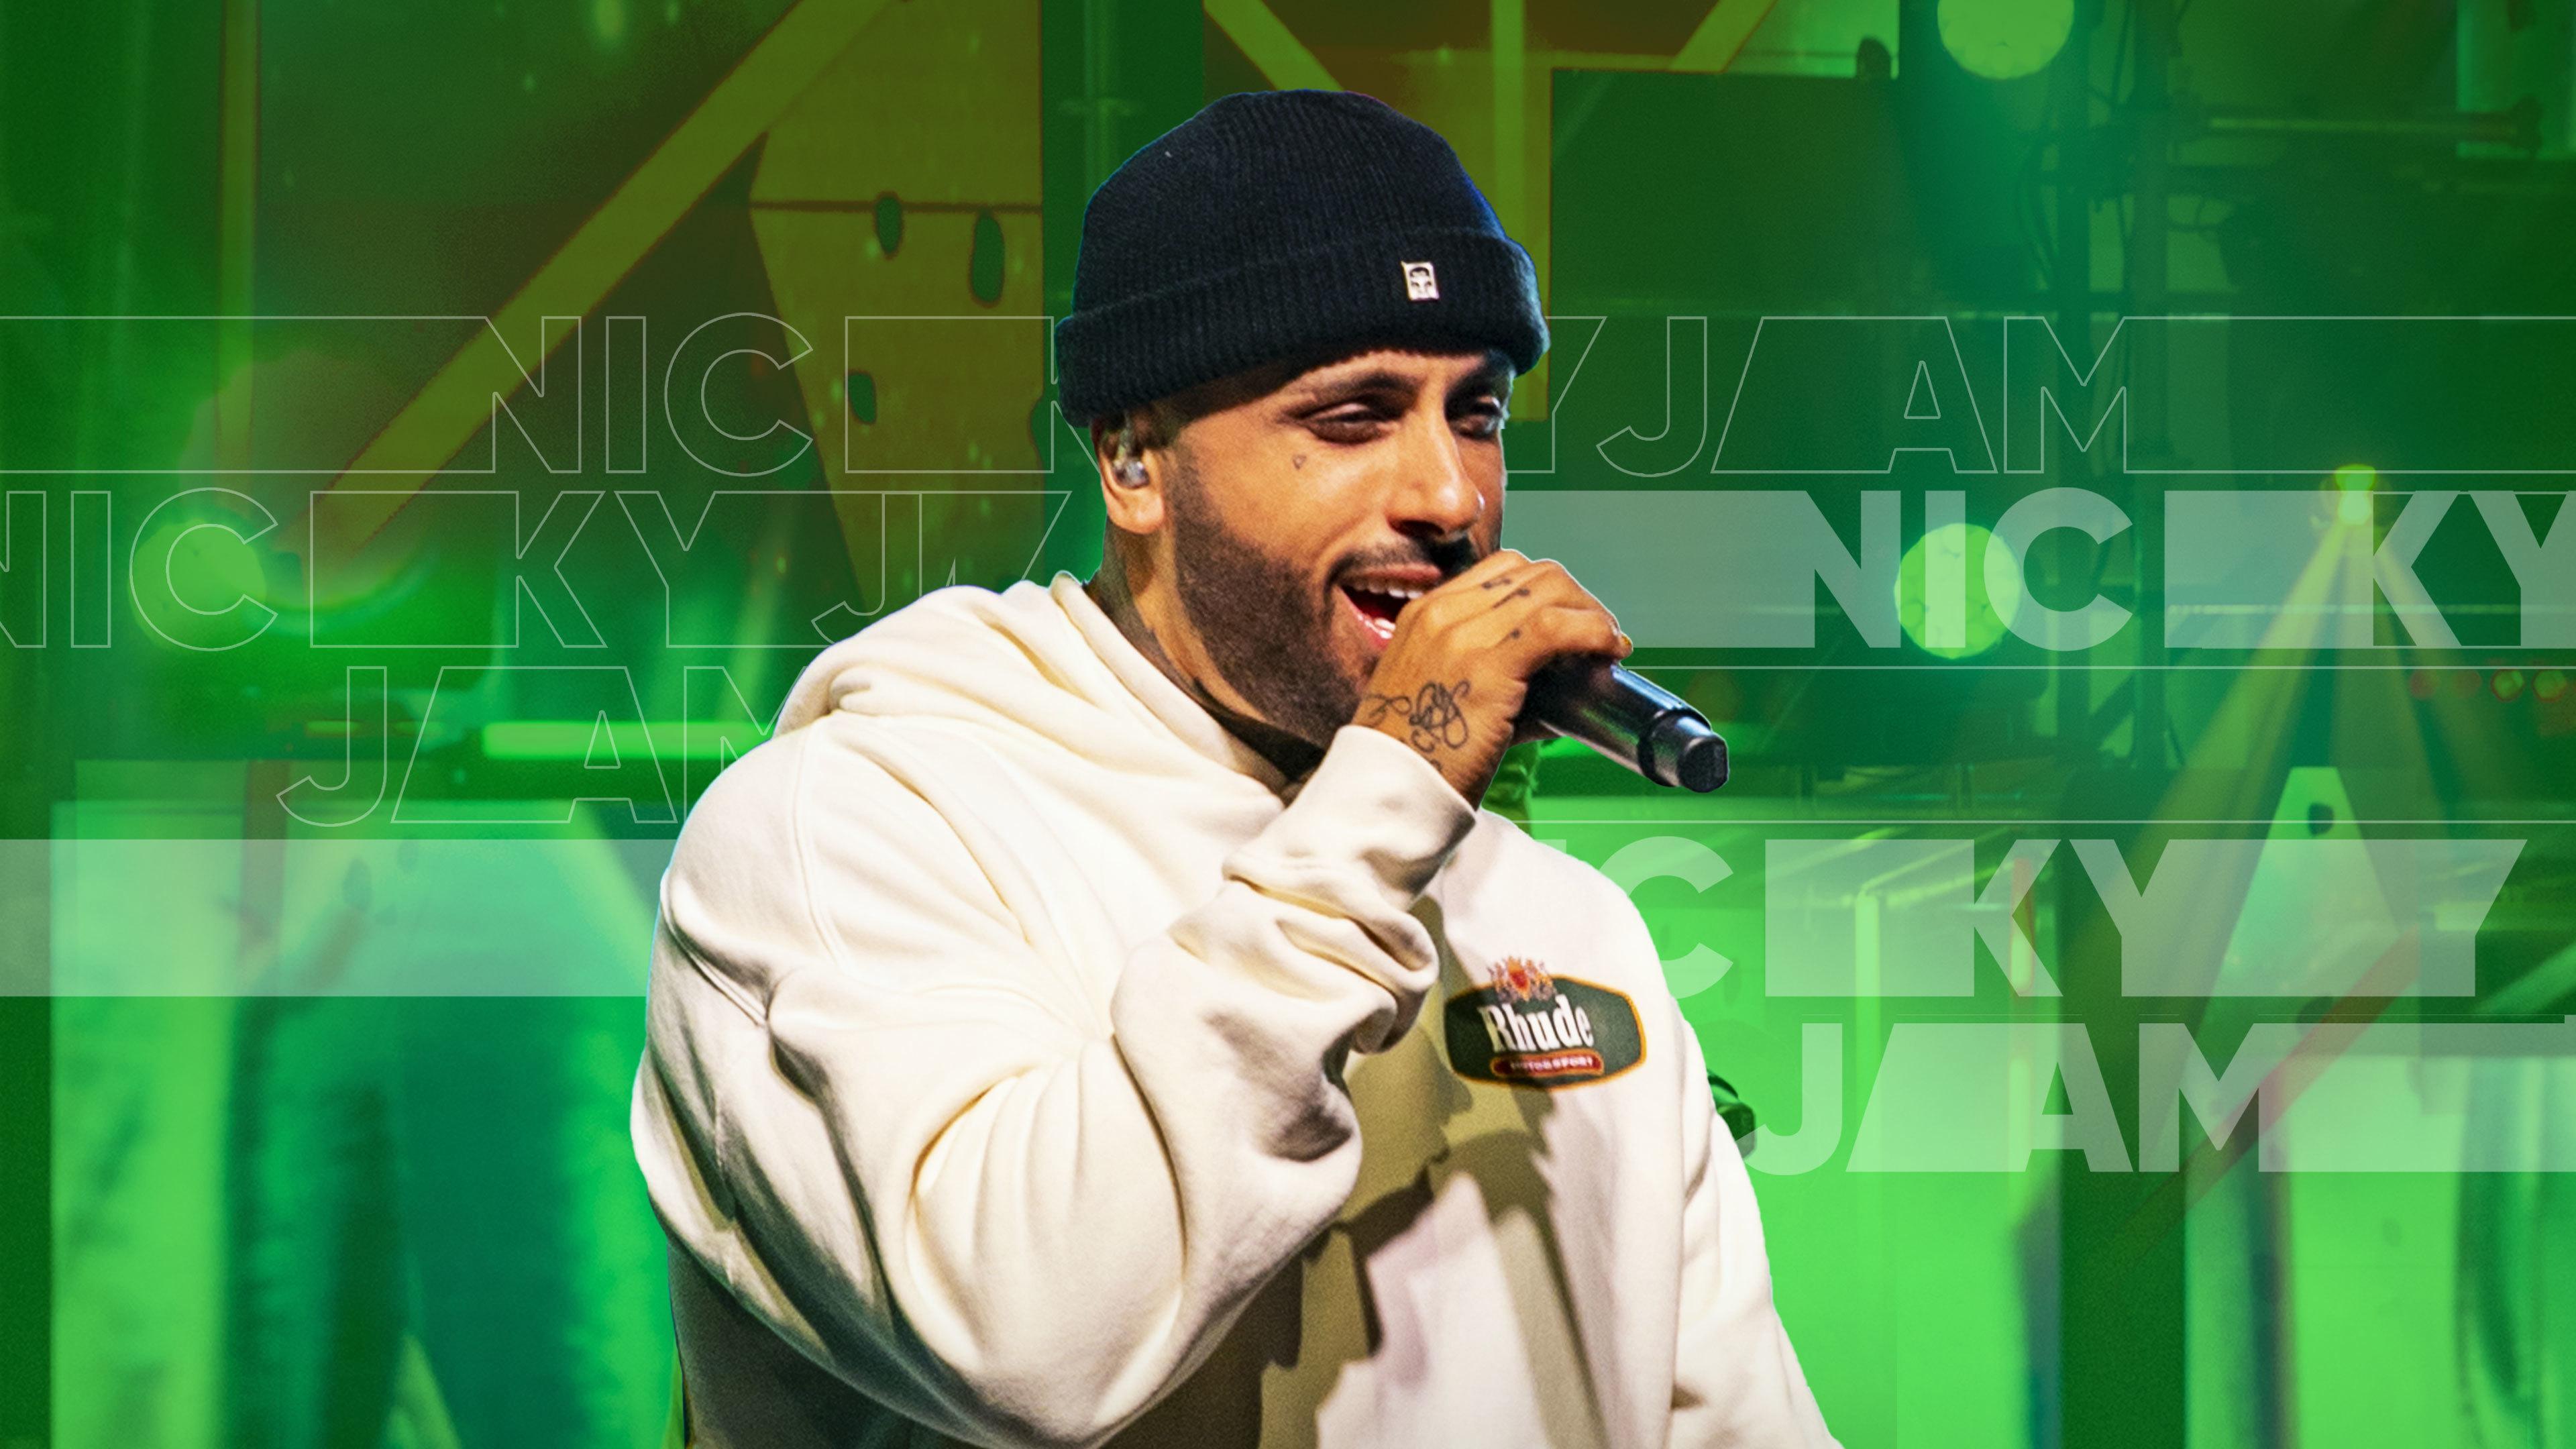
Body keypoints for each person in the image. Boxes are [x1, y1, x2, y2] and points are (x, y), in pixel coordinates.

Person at [630, 89, 1838, 1448]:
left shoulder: (1563, 922)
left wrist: (1394, 803)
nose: (1450, 496)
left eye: (1478, 413)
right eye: (1354, 417)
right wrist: (1392, 792)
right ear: (1133, 461)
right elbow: (1029, 1347)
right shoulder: (844, 833)